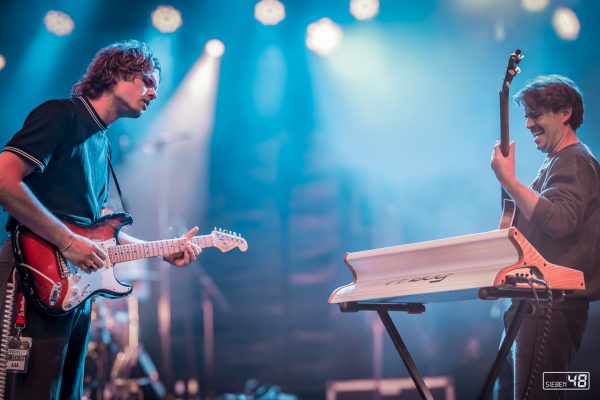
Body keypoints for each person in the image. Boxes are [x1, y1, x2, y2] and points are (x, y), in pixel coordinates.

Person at [0, 40, 201, 399]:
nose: (154, 93)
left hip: (71, 288)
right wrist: (66, 241)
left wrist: (163, 250)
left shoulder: (101, 140)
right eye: (148, 81)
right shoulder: (60, 115)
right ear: (118, 75)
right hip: (30, 274)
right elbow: (4, 179)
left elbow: (97, 230)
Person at [491, 75, 600, 399]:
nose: (527, 124)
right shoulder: (557, 162)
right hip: (536, 303)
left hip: (549, 305)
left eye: (535, 115)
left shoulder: (575, 160)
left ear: (564, 112)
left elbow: (561, 220)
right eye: (525, 116)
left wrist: (510, 181)